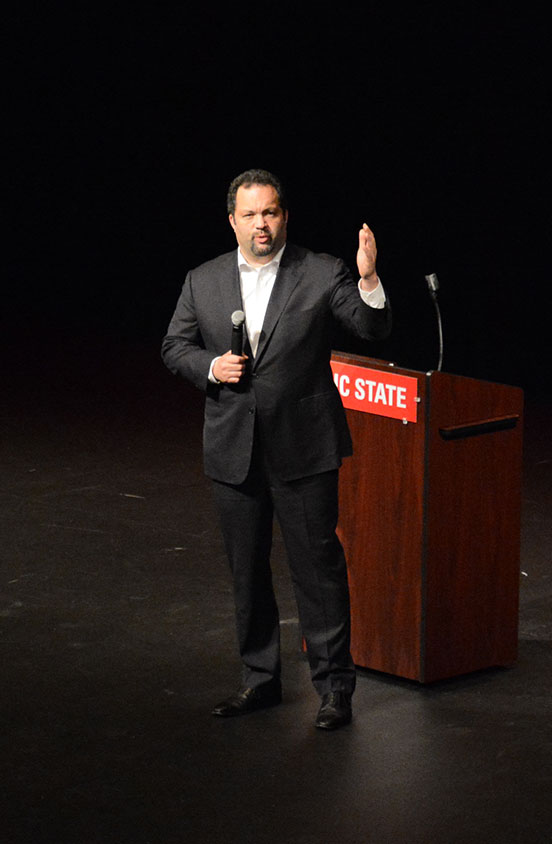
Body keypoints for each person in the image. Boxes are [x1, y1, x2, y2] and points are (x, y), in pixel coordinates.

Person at [161, 169, 392, 731]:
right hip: (233, 448)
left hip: (303, 447)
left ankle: (335, 689)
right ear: (233, 221)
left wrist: (368, 281)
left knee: (318, 571)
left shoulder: (319, 271)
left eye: (271, 213)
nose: (261, 224)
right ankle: (259, 681)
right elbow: (175, 346)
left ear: (284, 216)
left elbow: (370, 327)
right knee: (248, 572)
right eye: (250, 215)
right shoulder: (204, 279)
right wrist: (211, 368)